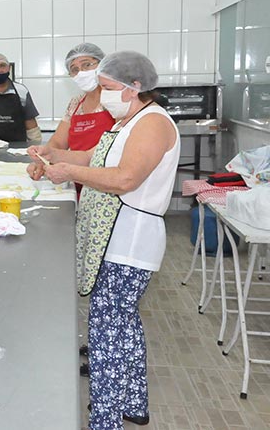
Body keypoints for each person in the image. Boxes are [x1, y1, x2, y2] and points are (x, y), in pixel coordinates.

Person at [28, 51, 180, 430]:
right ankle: (133, 402)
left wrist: (69, 172)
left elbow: (126, 178)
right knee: (123, 322)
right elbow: (91, 158)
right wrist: (51, 155)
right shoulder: (127, 121)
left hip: (130, 239)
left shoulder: (153, 123)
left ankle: (105, 420)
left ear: (134, 87)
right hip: (117, 237)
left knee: (106, 332)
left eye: (109, 87)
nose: (105, 94)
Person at [27, 43, 113, 182]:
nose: (81, 72)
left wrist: (54, 156)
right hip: (75, 178)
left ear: (102, 64)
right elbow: (58, 142)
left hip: (106, 179)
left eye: (87, 65)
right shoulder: (75, 103)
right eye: (75, 69)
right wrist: (43, 160)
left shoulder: (115, 100)